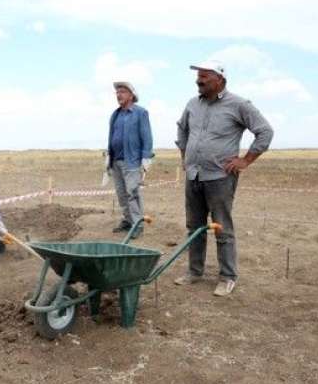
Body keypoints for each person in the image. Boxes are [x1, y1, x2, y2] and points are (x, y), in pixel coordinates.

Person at [174, 60, 274, 296]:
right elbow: (182, 129)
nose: (199, 80)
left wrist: (245, 160)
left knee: (222, 228)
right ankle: (194, 272)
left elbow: (265, 131)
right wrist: (185, 154)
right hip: (194, 174)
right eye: (198, 77)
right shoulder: (191, 104)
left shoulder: (238, 104)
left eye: (205, 76)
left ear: (220, 79)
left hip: (220, 177)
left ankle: (227, 276)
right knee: (194, 227)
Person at [106, 81, 153, 239]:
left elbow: (147, 136)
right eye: (117, 92)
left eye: (122, 92)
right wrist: (108, 156)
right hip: (116, 160)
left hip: (132, 161)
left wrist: (146, 157)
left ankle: (137, 224)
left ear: (131, 95)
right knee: (121, 194)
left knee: (132, 193)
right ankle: (127, 221)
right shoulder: (115, 114)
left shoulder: (141, 113)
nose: (119, 95)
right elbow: (111, 136)